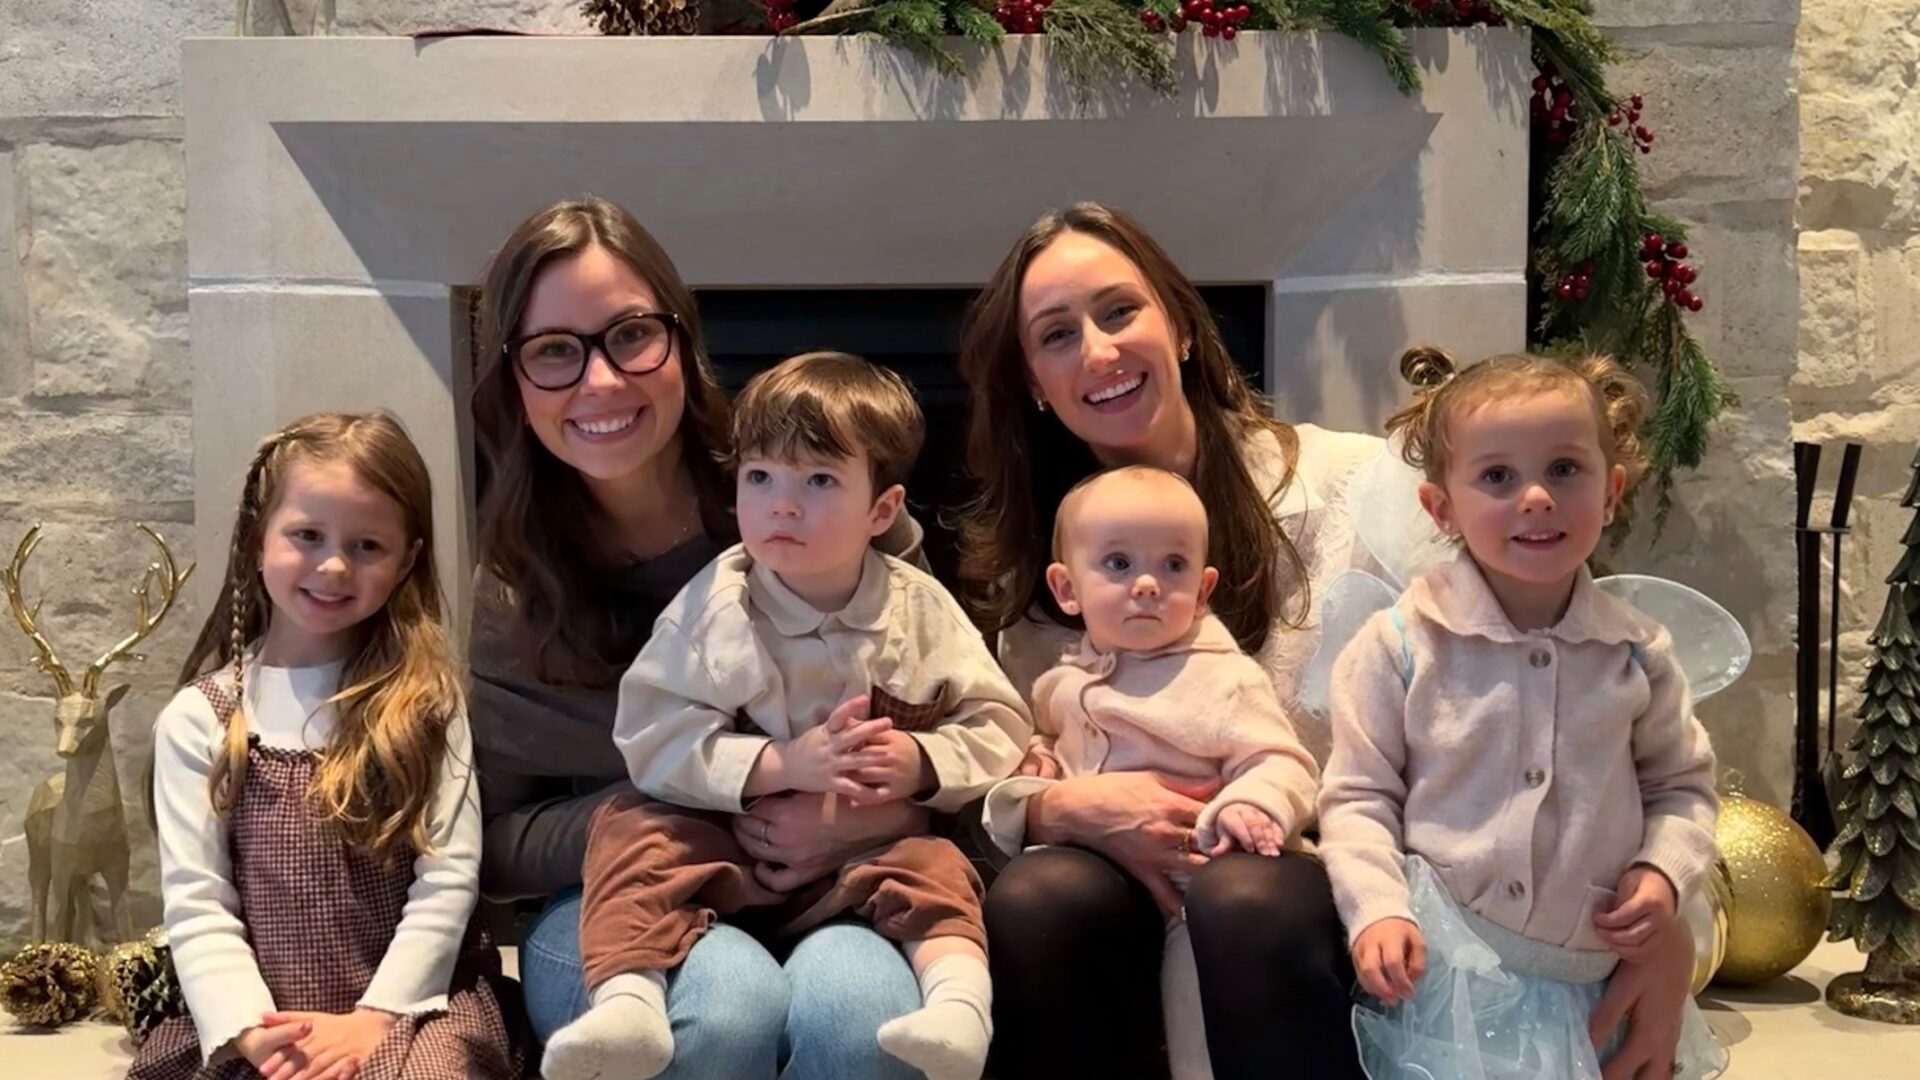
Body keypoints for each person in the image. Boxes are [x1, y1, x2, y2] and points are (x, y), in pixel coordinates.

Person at [956, 201, 1701, 1080]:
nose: (1100, 350)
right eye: (1056, 335)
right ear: (1035, 383)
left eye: (1120, 311)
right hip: (1139, 891)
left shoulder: (1358, 490)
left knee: (1246, 896)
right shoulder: (1046, 589)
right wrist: (1057, 806)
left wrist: (1671, 922)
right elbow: (1008, 769)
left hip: (1346, 881)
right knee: (1043, 896)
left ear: (1183, 327)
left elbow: (1570, 701)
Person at [467, 198, 930, 1079]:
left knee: (866, 1019)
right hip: (616, 909)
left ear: (680, 340)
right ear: (514, 381)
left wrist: (883, 811)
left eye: (631, 335)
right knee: (724, 1008)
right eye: (555, 351)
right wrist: (692, 802)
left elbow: (943, 711)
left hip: (837, 877)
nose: (601, 383)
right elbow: (493, 843)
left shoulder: (808, 486)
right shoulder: (514, 591)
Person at [543, 352, 1029, 1080]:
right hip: (724, 848)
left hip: (865, 858)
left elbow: (998, 723)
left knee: (938, 867)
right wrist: (778, 766)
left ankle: (958, 1008)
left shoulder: (919, 610)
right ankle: (630, 1000)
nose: (783, 505)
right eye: (760, 477)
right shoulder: (716, 605)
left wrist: (921, 766)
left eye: (820, 481)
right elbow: (651, 734)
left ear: (882, 511)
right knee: (633, 834)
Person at [1318, 351, 1725, 1079]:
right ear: (1442, 508)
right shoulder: (1402, 645)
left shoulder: (1636, 654)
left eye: (1565, 469)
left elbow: (1682, 789)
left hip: (1593, 973)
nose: (1535, 497)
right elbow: (1357, 796)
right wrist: (1377, 907)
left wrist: (1664, 873)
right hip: (1454, 980)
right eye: (1497, 477)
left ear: (1611, 493)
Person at [132, 412, 524, 1080]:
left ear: (407, 561)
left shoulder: (425, 704)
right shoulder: (200, 719)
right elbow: (198, 901)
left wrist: (376, 1018)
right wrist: (253, 1033)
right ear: (258, 542)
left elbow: (448, 879)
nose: (334, 565)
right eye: (307, 535)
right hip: (262, 1015)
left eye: (368, 546)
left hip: (413, 1006)